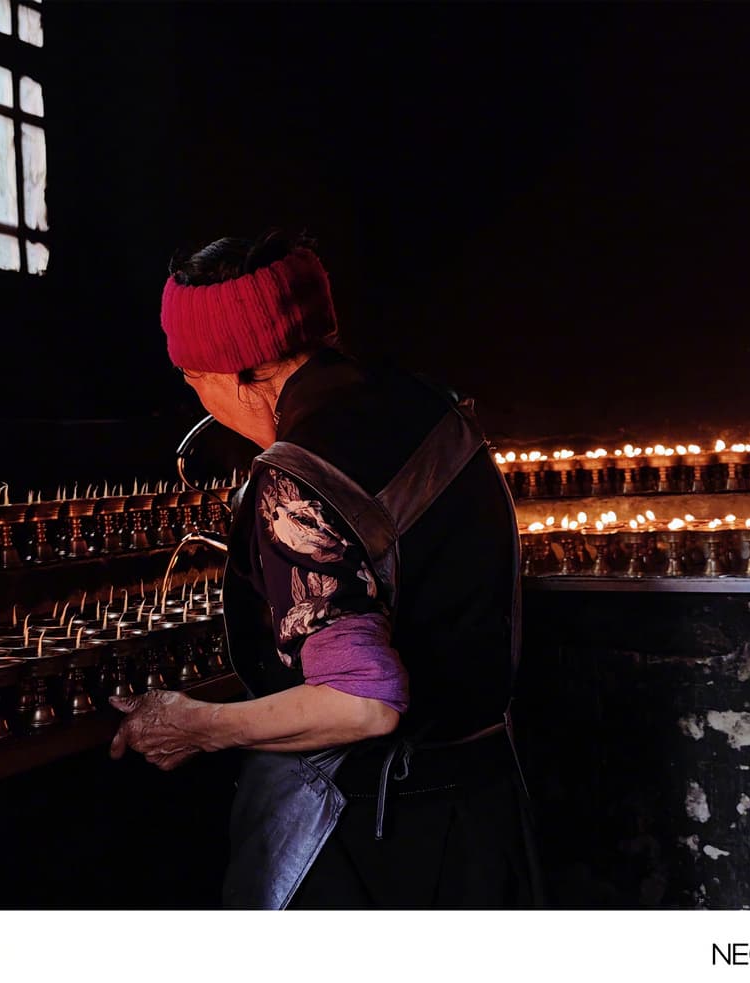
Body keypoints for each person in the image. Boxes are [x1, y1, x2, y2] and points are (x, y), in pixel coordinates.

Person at [109, 230, 541, 908]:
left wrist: (197, 724)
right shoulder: (436, 409)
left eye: (194, 382)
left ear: (234, 374)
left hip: (381, 840)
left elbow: (362, 702)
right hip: (484, 810)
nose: (201, 401)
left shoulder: (295, 479)